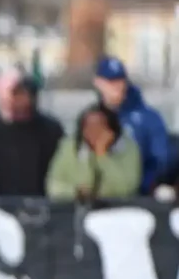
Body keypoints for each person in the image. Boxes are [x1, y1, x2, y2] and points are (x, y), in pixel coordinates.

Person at [93, 56, 173, 195]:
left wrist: (142, 185)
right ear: (99, 83)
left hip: (138, 196)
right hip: (100, 197)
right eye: (111, 82)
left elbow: (160, 159)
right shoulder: (92, 117)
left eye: (120, 81)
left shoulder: (148, 118)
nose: (117, 87)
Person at [46, 103, 141, 202]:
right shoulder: (70, 147)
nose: (94, 131)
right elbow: (53, 186)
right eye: (88, 126)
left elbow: (127, 189)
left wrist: (102, 156)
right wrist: (77, 192)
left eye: (100, 125)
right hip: (74, 210)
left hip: (116, 211)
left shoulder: (128, 148)